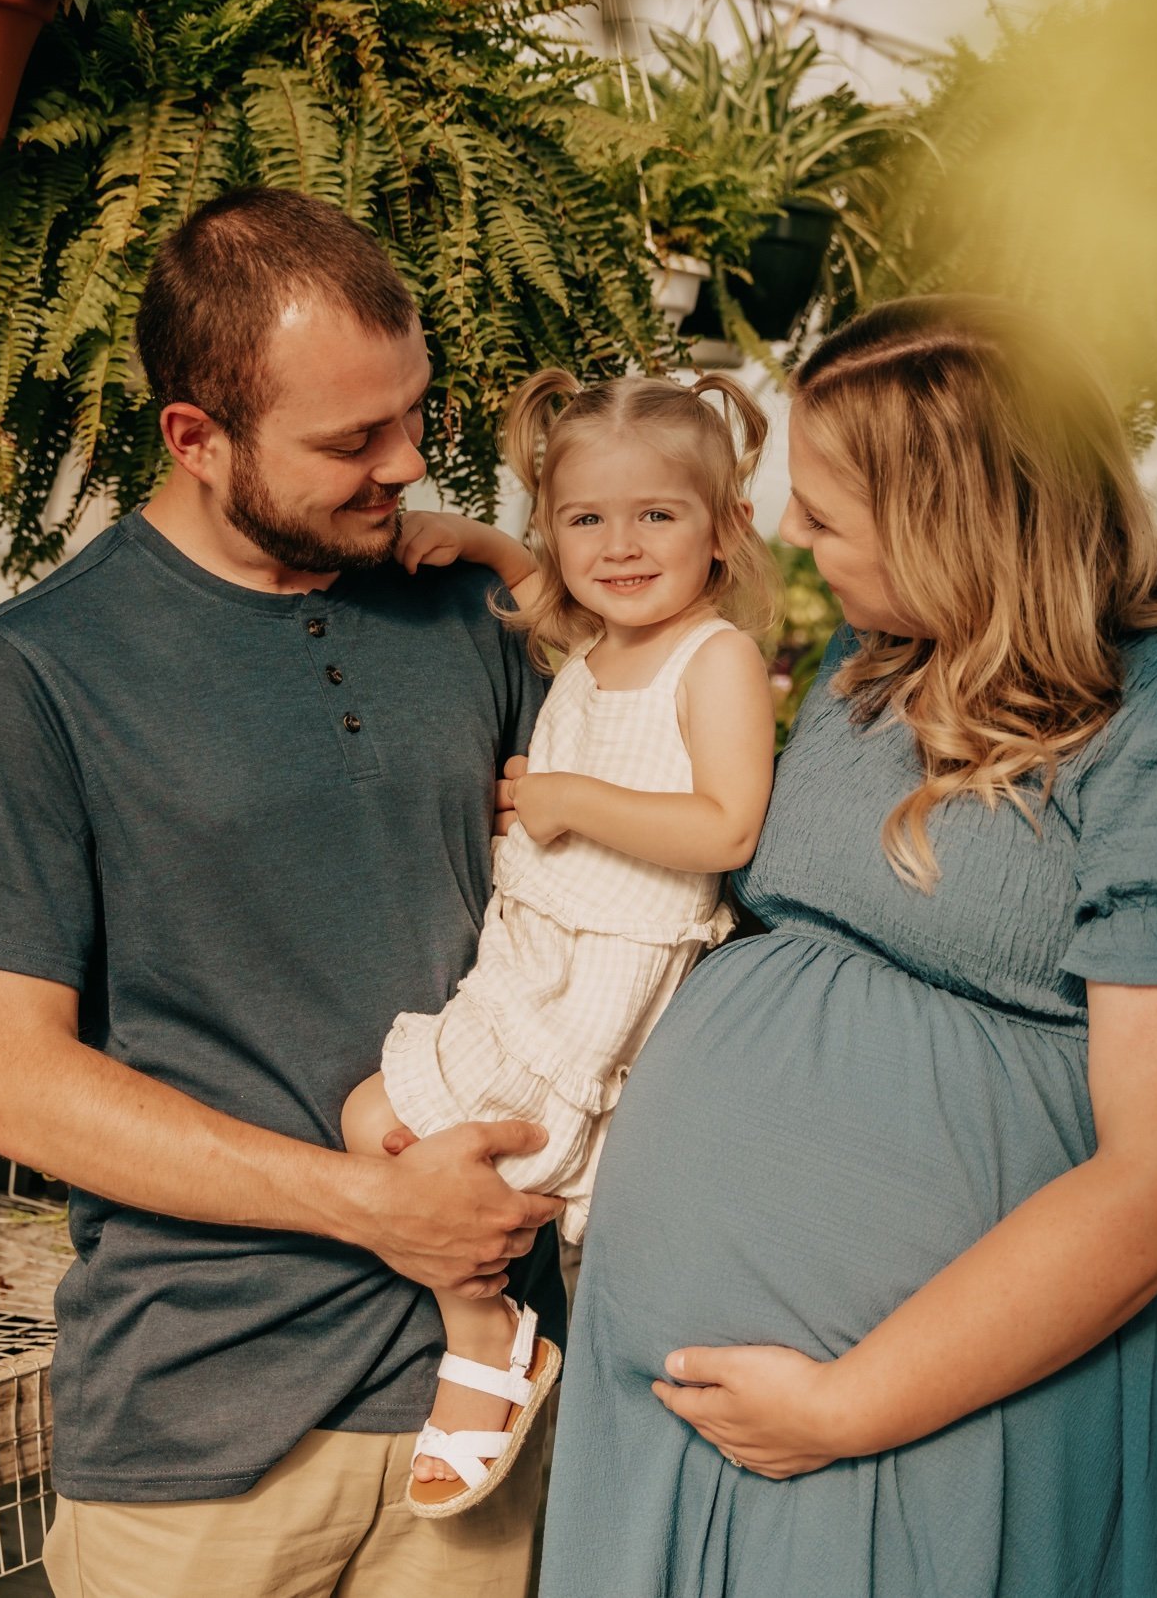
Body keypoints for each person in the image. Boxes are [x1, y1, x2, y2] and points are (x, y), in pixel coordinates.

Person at [538, 296, 1157, 1596]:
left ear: (955, 519)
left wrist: (851, 1402)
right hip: (694, 1411)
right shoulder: (877, 659)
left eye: (825, 512)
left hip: (931, 1416)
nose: (792, 536)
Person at [0, 187, 564, 1598]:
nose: (409, 462)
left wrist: (538, 571)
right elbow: (12, 1086)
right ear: (196, 436)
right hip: (201, 1427)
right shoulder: (41, 669)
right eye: (350, 440)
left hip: (486, 1395)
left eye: (414, 414)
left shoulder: (468, 613)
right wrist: (371, 1206)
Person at [340, 369, 780, 1519]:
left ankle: (485, 1344)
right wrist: (482, 541)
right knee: (388, 1131)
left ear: (723, 529)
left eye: (658, 516)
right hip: (525, 965)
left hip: (603, 981)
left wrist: (571, 797)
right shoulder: (589, 643)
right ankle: (504, 1341)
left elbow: (726, 822)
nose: (620, 546)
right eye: (587, 518)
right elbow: (552, 588)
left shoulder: (713, 658)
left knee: (429, 1149)